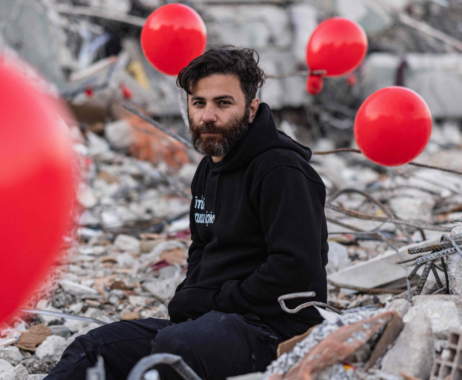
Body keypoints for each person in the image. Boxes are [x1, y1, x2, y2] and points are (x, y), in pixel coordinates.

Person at [45, 47, 329, 380]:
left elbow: (296, 266)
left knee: (177, 348)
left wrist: (216, 300)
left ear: (251, 109)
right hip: (210, 323)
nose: (208, 116)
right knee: (96, 347)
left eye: (223, 103)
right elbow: (201, 248)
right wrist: (191, 297)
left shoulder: (281, 171)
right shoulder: (208, 170)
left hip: (276, 333)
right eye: (199, 103)